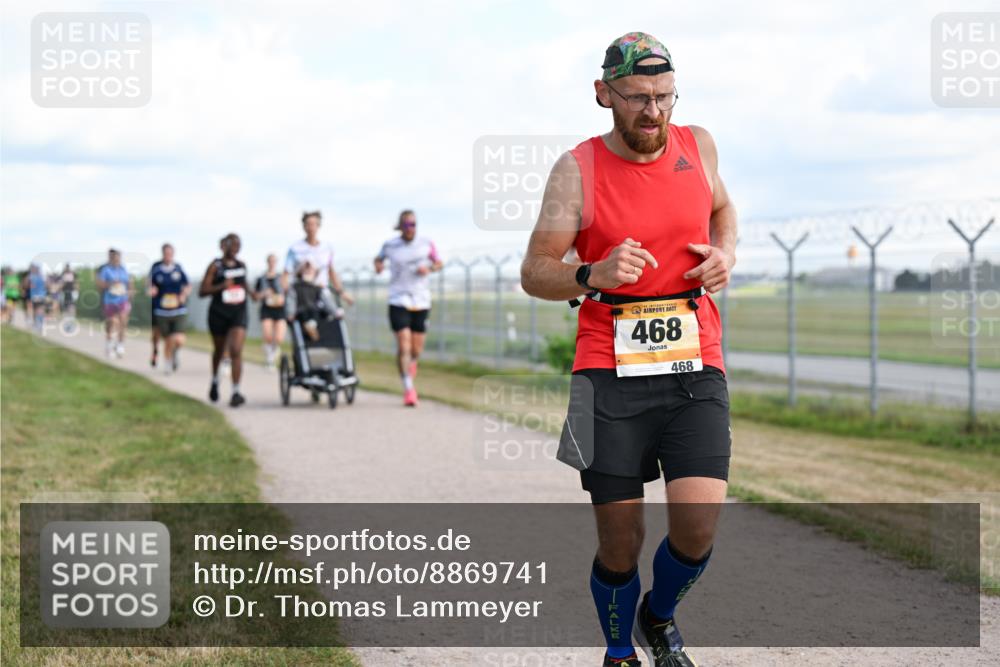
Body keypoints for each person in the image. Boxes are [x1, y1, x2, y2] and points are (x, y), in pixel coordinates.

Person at [520, 33, 737, 667]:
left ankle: (658, 616)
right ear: (603, 94)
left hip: (695, 358)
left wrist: (725, 254)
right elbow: (535, 271)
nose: (654, 112)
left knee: (697, 528)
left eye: (665, 96)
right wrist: (592, 273)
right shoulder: (577, 168)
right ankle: (618, 651)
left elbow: (724, 210)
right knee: (621, 540)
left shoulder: (699, 145)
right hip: (606, 370)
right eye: (639, 97)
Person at [374, 209, 443, 406]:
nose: (409, 228)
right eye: (406, 225)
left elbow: (439, 263)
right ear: (400, 226)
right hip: (398, 299)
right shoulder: (390, 245)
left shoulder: (426, 243)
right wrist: (378, 266)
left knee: (416, 349)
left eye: (413, 224)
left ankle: (412, 364)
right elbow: (378, 259)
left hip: (421, 300)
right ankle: (408, 389)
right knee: (403, 345)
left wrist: (429, 268)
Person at [199, 233, 248, 407]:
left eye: (238, 246)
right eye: (232, 245)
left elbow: (244, 285)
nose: (235, 249)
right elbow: (202, 291)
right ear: (224, 246)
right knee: (219, 351)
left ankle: (235, 391)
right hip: (218, 313)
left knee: (236, 350)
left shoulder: (242, 266)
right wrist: (221, 286)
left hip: (238, 312)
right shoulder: (216, 266)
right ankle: (215, 380)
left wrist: (255, 294)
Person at [282, 210, 354, 307]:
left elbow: (331, 272)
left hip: (322, 297)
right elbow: (286, 274)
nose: (311, 227)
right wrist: (284, 294)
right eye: (308, 224)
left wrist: (342, 292)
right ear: (304, 226)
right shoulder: (294, 248)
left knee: (336, 314)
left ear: (318, 226)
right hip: (301, 299)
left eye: (313, 224)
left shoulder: (327, 248)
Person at [148, 243, 191, 374]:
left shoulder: (178, 269)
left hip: (178, 310)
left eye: (170, 253)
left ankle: (174, 352)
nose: (168, 256)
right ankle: (166, 362)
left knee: (179, 339)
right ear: (162, 254)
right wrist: (152, 290)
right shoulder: (156, 270)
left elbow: (187, 285)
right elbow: (150, 285)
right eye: (166, 253)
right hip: (162, 311)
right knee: (166, 338)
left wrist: (183, 295)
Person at [252, 253, 287, 369]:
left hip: (280, 308)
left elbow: (288, 292)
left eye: (274, 261)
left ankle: (273, 351)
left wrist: (283, 297)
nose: (272, 263)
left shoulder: (281, 278)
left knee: (279, 337)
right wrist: (263, 294)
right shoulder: (261, 279)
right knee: (268, 335)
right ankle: (270, 359)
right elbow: (255, 296)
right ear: (267, 262)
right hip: (267, 308)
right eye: (270, 261)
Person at [96, 249, 133, 357]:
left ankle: (120, 345)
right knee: (111, 322)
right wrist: (111, 283)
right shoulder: (106, 270)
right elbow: (100, 285)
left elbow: (129, 283)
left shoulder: (123, 269)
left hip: (122, 299)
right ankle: (109, 344)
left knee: (123, 321)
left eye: (118, 259)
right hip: (110, 300)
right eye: (115, 259)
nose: (117, 261)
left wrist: (130, 293)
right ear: (111, 259)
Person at [27, 263, 48, 331]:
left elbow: (30, 285)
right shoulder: (43, 276)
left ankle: (37, 323)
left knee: (36, 309)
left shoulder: (31, 276)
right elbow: (46, 285)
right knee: (40, 309)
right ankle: (40, 323)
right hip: (42, 295)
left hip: (35, 295)